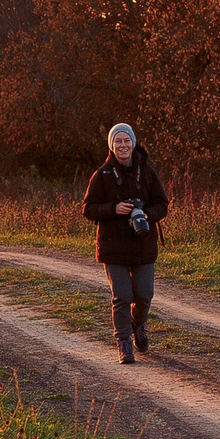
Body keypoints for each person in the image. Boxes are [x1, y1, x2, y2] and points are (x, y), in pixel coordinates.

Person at [81, 121, 170, 364]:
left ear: (133, 143)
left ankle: (137, 325)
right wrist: (114, 208)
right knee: (121, 295)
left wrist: (146, 215)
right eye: (118, 141)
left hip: (143, 245)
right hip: (113, 247)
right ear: (112, 145)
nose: (123, 145)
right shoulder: (102, 175)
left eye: (126, 140)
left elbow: (162, 204)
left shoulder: (148, 173)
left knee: (143, 295)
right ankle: (123, 342)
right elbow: (87, 208)